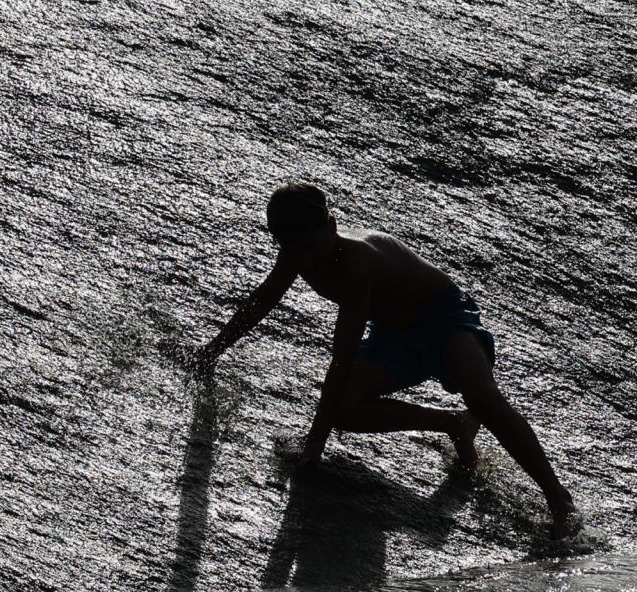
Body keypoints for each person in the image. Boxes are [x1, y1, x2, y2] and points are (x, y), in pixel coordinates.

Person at [195, 182, 579, 538]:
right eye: (293, 249)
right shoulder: (297, 252)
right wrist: (212, 351)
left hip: (443, 317)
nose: (305, 259)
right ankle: (452, 423)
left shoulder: (357, 264)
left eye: (311, 246)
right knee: (344, 409)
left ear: (332, 226)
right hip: (393, 337)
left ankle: (557, 497)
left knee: (483, 398)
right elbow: (262, 301)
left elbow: (342, 358)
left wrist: (314, 446)